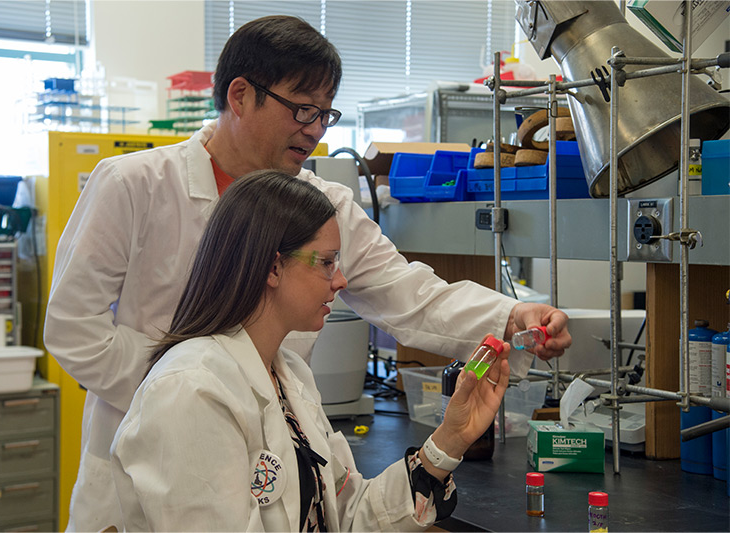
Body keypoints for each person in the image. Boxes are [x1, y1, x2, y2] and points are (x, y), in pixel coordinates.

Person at [44, 15, 572, 531]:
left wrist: (510, 317)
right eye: (301, 109)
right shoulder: (134, 185)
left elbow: (407, 292)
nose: (315, 130)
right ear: (240, 95)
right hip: (153, 465)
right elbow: (74, 329)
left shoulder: (324, 207)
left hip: (284, 454)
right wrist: (198, 392)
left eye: (325, 114)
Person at [110, 170, 513, 531]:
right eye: (326, 262)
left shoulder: (288, 375)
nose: (340, 279)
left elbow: (350, 516)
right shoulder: (191, 392)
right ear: (272, 267)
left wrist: (449, 440)